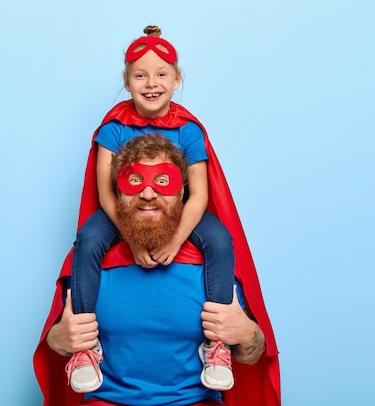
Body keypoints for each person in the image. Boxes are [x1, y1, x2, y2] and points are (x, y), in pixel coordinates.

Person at [33, 134, 281, 406]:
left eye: (163, 182)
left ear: (182, 193)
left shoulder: (214, 267)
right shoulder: (88, 263)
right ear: (117, 193)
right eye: (134, 182)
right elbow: (55, 343)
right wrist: (60, 338)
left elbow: (252, 353)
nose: (148, 194)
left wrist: (247, 334)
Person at [68, 25, 236, 394]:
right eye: (140, 75)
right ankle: (83, 346)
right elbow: (105, 194)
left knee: (221, 241)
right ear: (127, 82)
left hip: (177, 213)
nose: (151, 82)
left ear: (177, 80)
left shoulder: (188, 130)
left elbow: (200, 195)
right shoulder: (112, 129)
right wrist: (133, 240)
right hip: (125, 214)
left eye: (162, 74)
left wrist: (175, 240)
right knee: (88, 239)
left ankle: (217, 343)